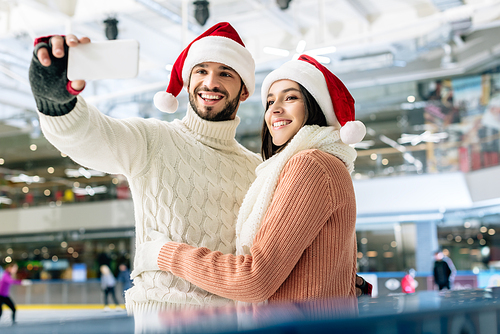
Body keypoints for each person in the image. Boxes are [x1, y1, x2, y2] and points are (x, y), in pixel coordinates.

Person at [28, 22, 261, 314]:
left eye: (225, 73)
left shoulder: (258, 168)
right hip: (163, 319)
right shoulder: (152, 139)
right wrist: (55, 102)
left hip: (239, 321)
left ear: (243, 92)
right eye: (201, 71)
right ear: (187, 82)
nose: (210, 82)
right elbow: (89, 136)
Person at [133, 54, 366, 304]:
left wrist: (164, 253)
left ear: (315, 106)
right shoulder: (323, 164)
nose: (275, 108)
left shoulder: (310, 165)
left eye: (290, 97)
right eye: (270, 101)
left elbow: (254, 280)